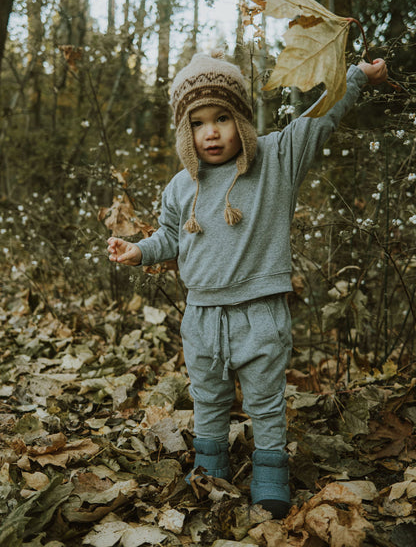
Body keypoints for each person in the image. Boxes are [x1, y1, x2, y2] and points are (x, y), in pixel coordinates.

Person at [107, 51, 387, 518]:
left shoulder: (276, 159)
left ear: (241, 119)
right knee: (208, 397)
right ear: (185, 132)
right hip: (202, 316)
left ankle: (271, 473)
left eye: (222, 118)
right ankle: (210, 467)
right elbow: (171, 237)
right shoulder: (180, 186)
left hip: (260, 314)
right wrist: (139, 250)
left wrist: (357, 76)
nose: (211, 132)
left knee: (265, 400)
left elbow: (319, 117)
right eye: (198, 123)